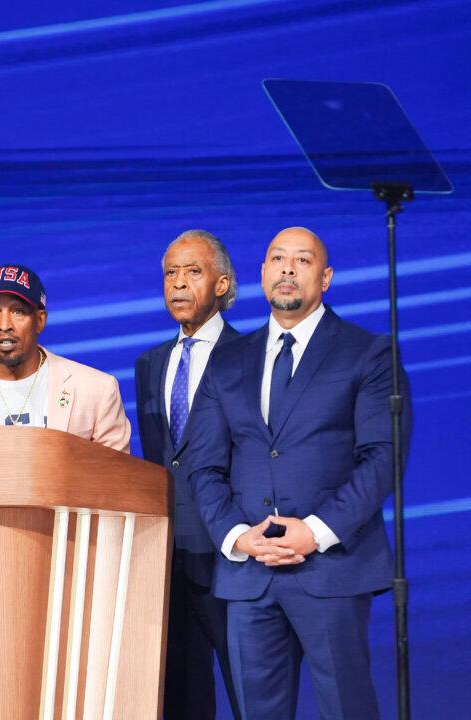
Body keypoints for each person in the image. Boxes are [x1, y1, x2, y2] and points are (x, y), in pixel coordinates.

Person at [188, 227, 401, 719]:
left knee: (346, 709)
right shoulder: (228, 361)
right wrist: (238, 536)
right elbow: (205, 465)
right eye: (277, 259)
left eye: (302, 261)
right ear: (262, 274)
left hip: (332, 568)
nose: (287, 269)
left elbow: (381, 457)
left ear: (324, 278)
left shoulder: (366, 352)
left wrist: (316, 531)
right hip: (249, 574)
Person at [135, 230, 241, 720]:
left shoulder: (252, 357)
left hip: (232, 557)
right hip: (167, 560)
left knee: (250, 692)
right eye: (170, 273)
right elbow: (162, 459)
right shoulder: (150, 363)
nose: (178, 284)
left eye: (192, 272)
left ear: (221, 283)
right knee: (179, 699)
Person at [0, 263, 130, 452]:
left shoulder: (96, 390)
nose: (4, 325)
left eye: (18, 311)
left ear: (40, 320)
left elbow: (117, 479)